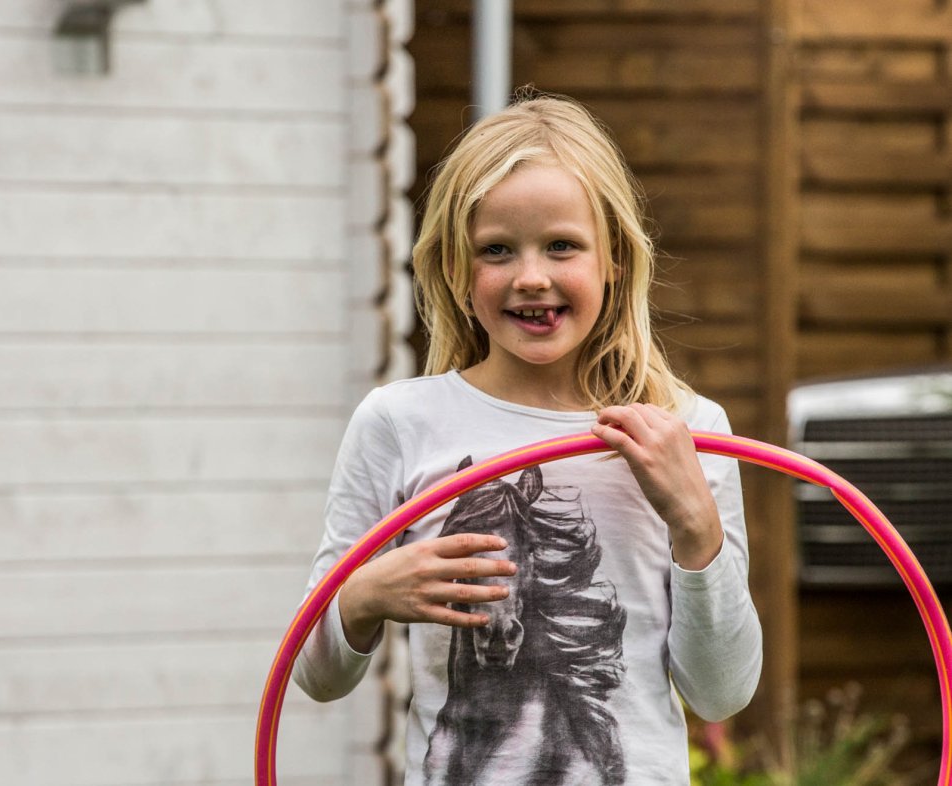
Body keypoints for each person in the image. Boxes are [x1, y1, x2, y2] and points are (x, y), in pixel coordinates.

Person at [294, 94, 762, 785]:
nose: (531, 277)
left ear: (616, 261)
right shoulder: (397, 423)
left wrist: (693, 521)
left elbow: (721, 691)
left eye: (562, 246)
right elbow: (314, 676)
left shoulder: (687, 430)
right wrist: (362, 597)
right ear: (456, 271)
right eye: (496, 251)